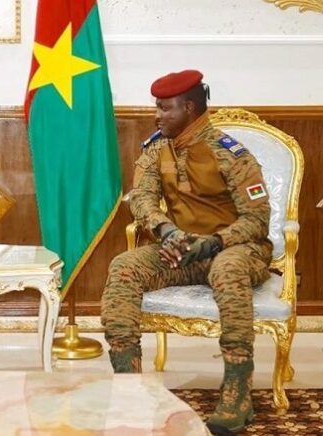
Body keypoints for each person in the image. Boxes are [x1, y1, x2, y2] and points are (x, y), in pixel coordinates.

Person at [101, 70, 272, 435]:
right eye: (157, 107)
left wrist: (215, 242)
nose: (157, 115)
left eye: (165, 108)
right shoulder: (157, 149)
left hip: (236, 250)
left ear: (190, 107)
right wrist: (166, 230)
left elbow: (257, 220)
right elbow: (142, 198)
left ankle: (238, 390)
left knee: (227, 269)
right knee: (124, 267)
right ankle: (129, 387)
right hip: (182, 249)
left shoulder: (231, 154)